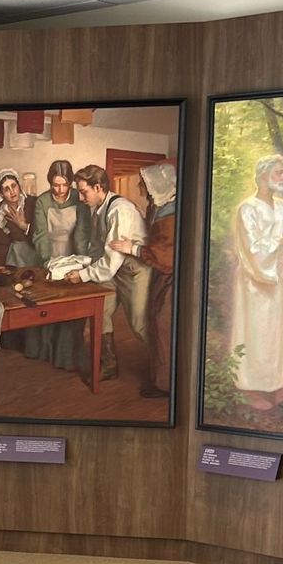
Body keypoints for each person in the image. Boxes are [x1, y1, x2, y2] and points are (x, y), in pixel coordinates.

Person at [229, 154, 283, 410]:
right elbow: (251, 248)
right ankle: (250, 386)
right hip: (255, 281)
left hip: (278, 278)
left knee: (275, 334)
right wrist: (280, 243)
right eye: (278, 172)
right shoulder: (247, 208)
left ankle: (278, 385)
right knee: (255, 332)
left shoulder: (282, 206)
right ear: (263, 175)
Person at [62, 164, 151, 382]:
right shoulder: (99, 208)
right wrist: (81, 266)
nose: (81, 198)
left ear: (99, 187)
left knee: (140, 325)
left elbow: (112, 260)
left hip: (134, 271)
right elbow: (99, 248)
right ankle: (109, 364)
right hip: (114, 270)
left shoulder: (119, 210)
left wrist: (82, 275)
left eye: (84, 192)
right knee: (100, 311)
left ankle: (165, 369)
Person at [111, 162, 177, 398]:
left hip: (171, 278)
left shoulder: (172, 213)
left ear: (155, 186)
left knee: (164, 325)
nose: (140, 186)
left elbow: (167, 253)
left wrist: (133, 248)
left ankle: (167, 385)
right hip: (161, 275)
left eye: (143, 183)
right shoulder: (158, 206)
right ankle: (161, 380)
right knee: (158, 326)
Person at [24, 159, 93, 371]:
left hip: (71, 255)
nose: (60, 189)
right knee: (46, 305)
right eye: (55, 185)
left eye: (64, 185)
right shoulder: (43, 201)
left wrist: (79, 262)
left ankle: (67, 357)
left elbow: (82, 234)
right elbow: (41, 234)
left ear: (71, 182)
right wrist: (48, 261)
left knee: (70, 306)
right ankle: (43, 351)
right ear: (50, 183)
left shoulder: (79, 199)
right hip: (48, 255)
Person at [0, 169, 39, 267]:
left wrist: (23, 225)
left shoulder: (33, 203)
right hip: (14, 259)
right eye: (6, 189)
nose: (12, 192)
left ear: (19, 187)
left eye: (14, 186)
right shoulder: (1, 213)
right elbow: (1, 244)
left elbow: (42, 236)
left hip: (36, 254)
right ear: (1, 194)